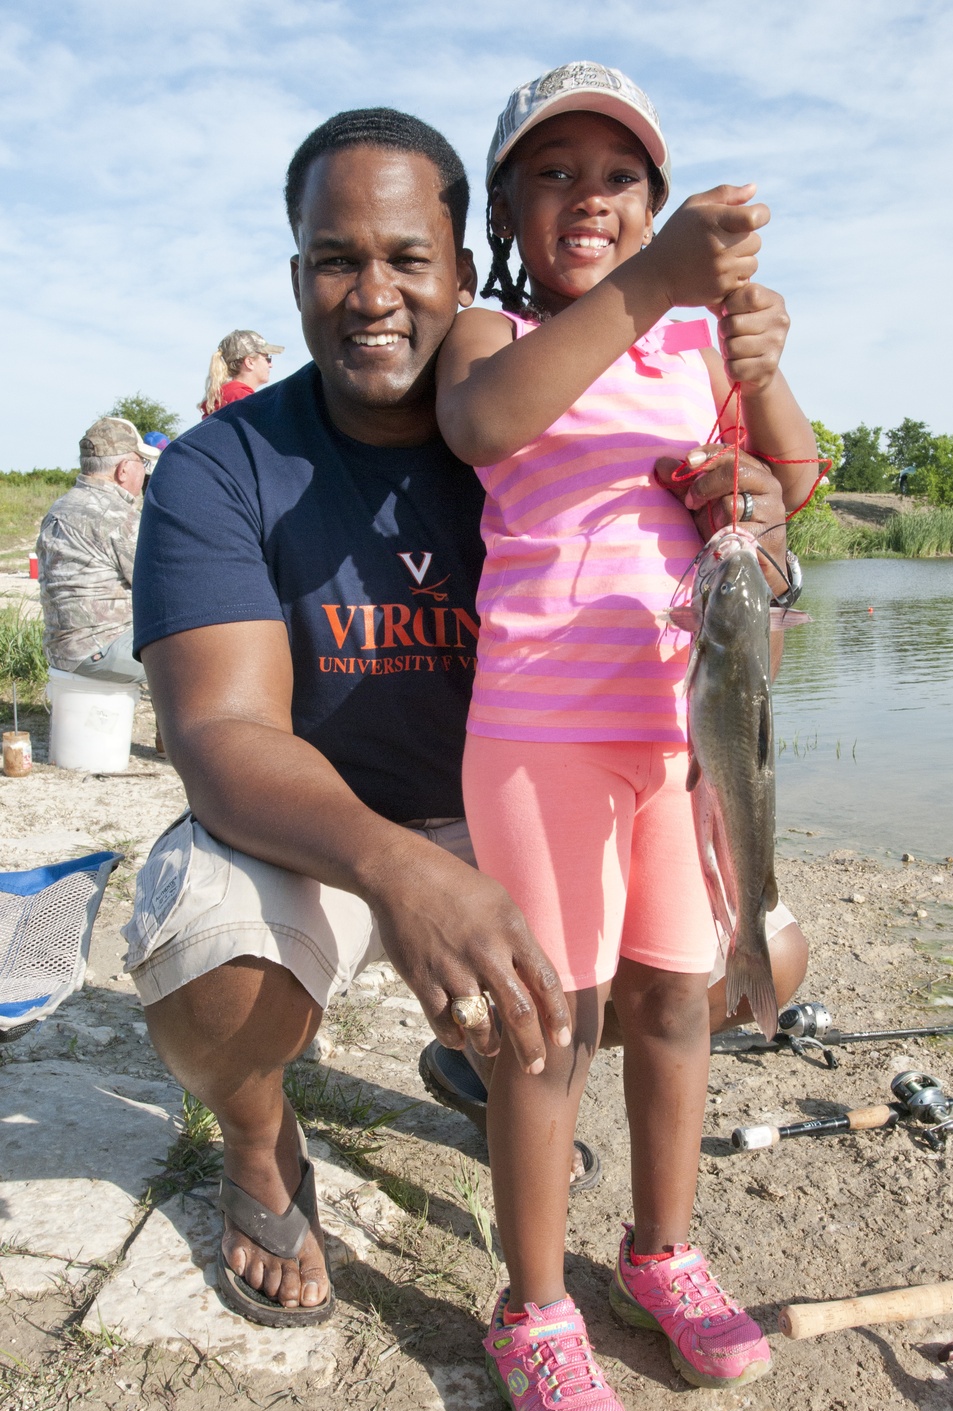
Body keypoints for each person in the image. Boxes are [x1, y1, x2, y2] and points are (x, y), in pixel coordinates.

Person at [123, 107, 805, 1343]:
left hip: (523, 805)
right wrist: (404, 872)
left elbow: (753, 500)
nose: (371, 294)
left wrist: (751, 485)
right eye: (337, 260)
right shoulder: (219, 465)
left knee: (756, 962)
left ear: (462, 265)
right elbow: (219, 741)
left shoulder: (566, 410)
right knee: (219, 988)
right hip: (315, 830)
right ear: (295, 278)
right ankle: (264, 1149)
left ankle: (473, 1066)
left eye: (404, 260)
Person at [433, 61, 818, 1411]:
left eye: (618, 176)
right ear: (509, 209)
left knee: (673, 998)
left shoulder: (697, 348)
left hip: (681, 732)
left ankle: (661, 1250)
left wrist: (756, 440)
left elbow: (799, 470)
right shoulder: (487, 331)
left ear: (654, 199)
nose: (586, 196)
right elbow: (483, 424)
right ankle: (534, 1308)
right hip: (541, 735)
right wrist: (656, 279)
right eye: (553, 171)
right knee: (550, 1023)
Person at [36, 417, 160, 684]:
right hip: (103, 650)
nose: (145, 472)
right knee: (199, 656)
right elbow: (161, 586)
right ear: (124, 470)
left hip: (62, 649)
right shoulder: (116, 516)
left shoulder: (60, 507)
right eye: (143, 463)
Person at [198, 329, 284, 416]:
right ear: (249, 362)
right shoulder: (244, 400)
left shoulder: (223, 397)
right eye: (268, 359)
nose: (270, 365)